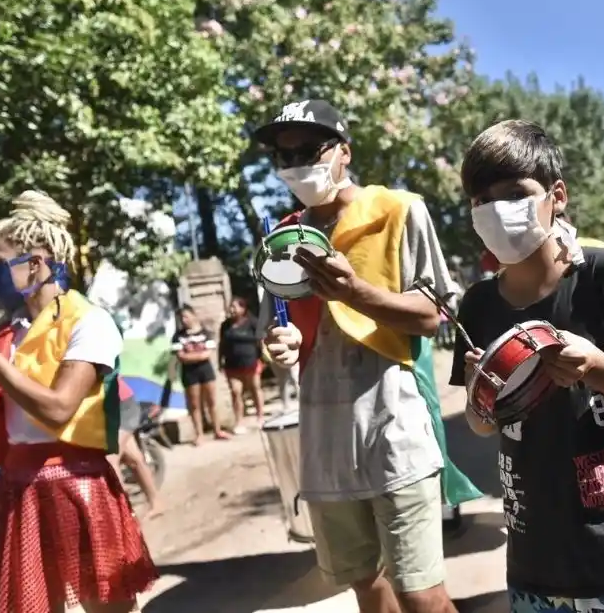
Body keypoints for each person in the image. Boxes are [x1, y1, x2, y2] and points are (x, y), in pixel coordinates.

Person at [451, 119, 604, 613]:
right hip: (537, 566)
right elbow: (481, 426)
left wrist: (596, 366)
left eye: (513, 193)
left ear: (556, 195)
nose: (495, 210)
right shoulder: (478, 305)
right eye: (481, 200)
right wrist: (484, 391)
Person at [256, 99, 481, 613]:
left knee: (421, 594)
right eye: (283, 156)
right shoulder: (281, 238)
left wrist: (355, 293)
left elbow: (431, 315)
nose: (295, 165)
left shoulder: (398, 211)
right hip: (323, 440)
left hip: (393, 429)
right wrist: (277, 346)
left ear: (344, 152)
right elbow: (275, 333)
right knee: (367, 587)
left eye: (309, 150)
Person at [0, 190, 157, 613]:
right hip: (17, 487)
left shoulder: (89, 321)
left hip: (77, 482)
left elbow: (60, 409)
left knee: (107, 606)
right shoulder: (7, 334)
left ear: (35, 264)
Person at [172, 304, 230, 444]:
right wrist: (198, 355)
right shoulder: (178, 336)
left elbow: (207, 354)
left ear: (193, 315)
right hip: (189, 373)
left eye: (186, 316)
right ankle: (199, 434)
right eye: (181, 318)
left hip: (206, 370)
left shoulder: (206, 333)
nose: (184, 320)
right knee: (195, 404)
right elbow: (181, 357)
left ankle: (217, 430)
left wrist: (191, 356)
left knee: (211, 401)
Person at [112, 375, 164, 519]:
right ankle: (157, 503)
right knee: (134, 459)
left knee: (110, 460)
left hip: (121, 405)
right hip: (113, 407)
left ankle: (124, 516)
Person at [219, 297, 266, 431]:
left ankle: (260, 416)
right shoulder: (225, 325)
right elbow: (222, 344)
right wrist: (219, 361)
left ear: (243, 308)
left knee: (255, 388)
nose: (232, 309)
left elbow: (260, 341)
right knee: (235, 391)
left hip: (251, 362)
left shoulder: (252, 322)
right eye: (231, 307)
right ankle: (239, 421)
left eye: (235, 307)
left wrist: (263, 358)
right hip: (232, 364)